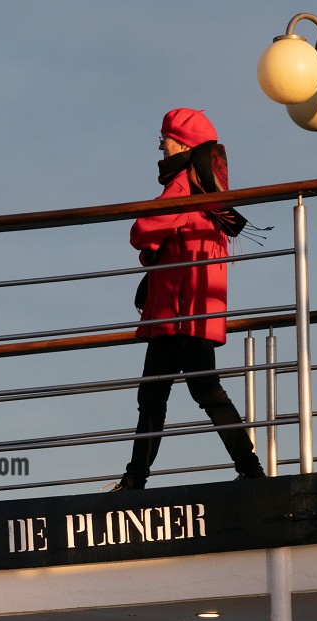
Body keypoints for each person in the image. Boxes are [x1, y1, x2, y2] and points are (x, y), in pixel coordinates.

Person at [114, 108, 265, 490]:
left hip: (179, 313)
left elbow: (144, 229)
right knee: (191, 390)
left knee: (166, 394)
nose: (161, 146)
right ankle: (249, 470)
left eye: (164, 138)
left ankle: (136, 480)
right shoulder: (205, 188)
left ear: (183, 143)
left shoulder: (182, 185)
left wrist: (148, 247)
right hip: (192, 310)